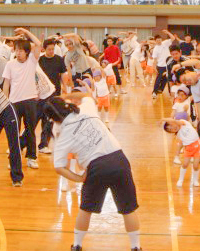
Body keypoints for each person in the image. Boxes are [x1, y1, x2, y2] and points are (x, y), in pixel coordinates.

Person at [47, 94, 141, 251]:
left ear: (53, 119)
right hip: (119, 160)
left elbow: (59, 167)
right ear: (65, 105)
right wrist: (64, 95)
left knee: (86, 209)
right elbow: (86, 95)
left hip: (96, 168)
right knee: (128, 209)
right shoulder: (86, 109)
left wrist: (79, 178)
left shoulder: (63, 135)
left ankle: (77, 245)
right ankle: (136, 247)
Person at [2, 28, 42, 170]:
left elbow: (38, 44)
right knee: (13, 132)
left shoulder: (32, 60)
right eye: (16, 50)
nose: (17, 52)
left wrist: (25, 31)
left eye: (20, 50)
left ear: (26, 51)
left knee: (30, 130)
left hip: (30, 100)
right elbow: (6, 84)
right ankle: (14, 158)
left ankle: (31, 157)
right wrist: (5, 102)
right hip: (14, 102)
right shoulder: (10, 64)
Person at [38, 38, 69, 154]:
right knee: (36, 119)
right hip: (40, 94)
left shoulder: (59, 59)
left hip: (54, 93)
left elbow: (62, 74)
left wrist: (65, 87)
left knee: (48, 119)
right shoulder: (40, 60)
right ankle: (21, 144)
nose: (51, 51)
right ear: (44, 49)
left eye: (53, 49)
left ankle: (43, 144)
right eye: (49, 49)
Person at [163, 118, 200, 188]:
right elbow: (181, 143)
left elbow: (174, 121)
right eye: (170, 130)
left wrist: (164, 119)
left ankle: (195, 180)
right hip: (188, 149)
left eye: (171, 126)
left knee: (196, 165)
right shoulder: (178, 135)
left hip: (197, 147)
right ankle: (180, 180)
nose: (173, 128)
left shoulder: (184, 123)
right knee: (185, 164)